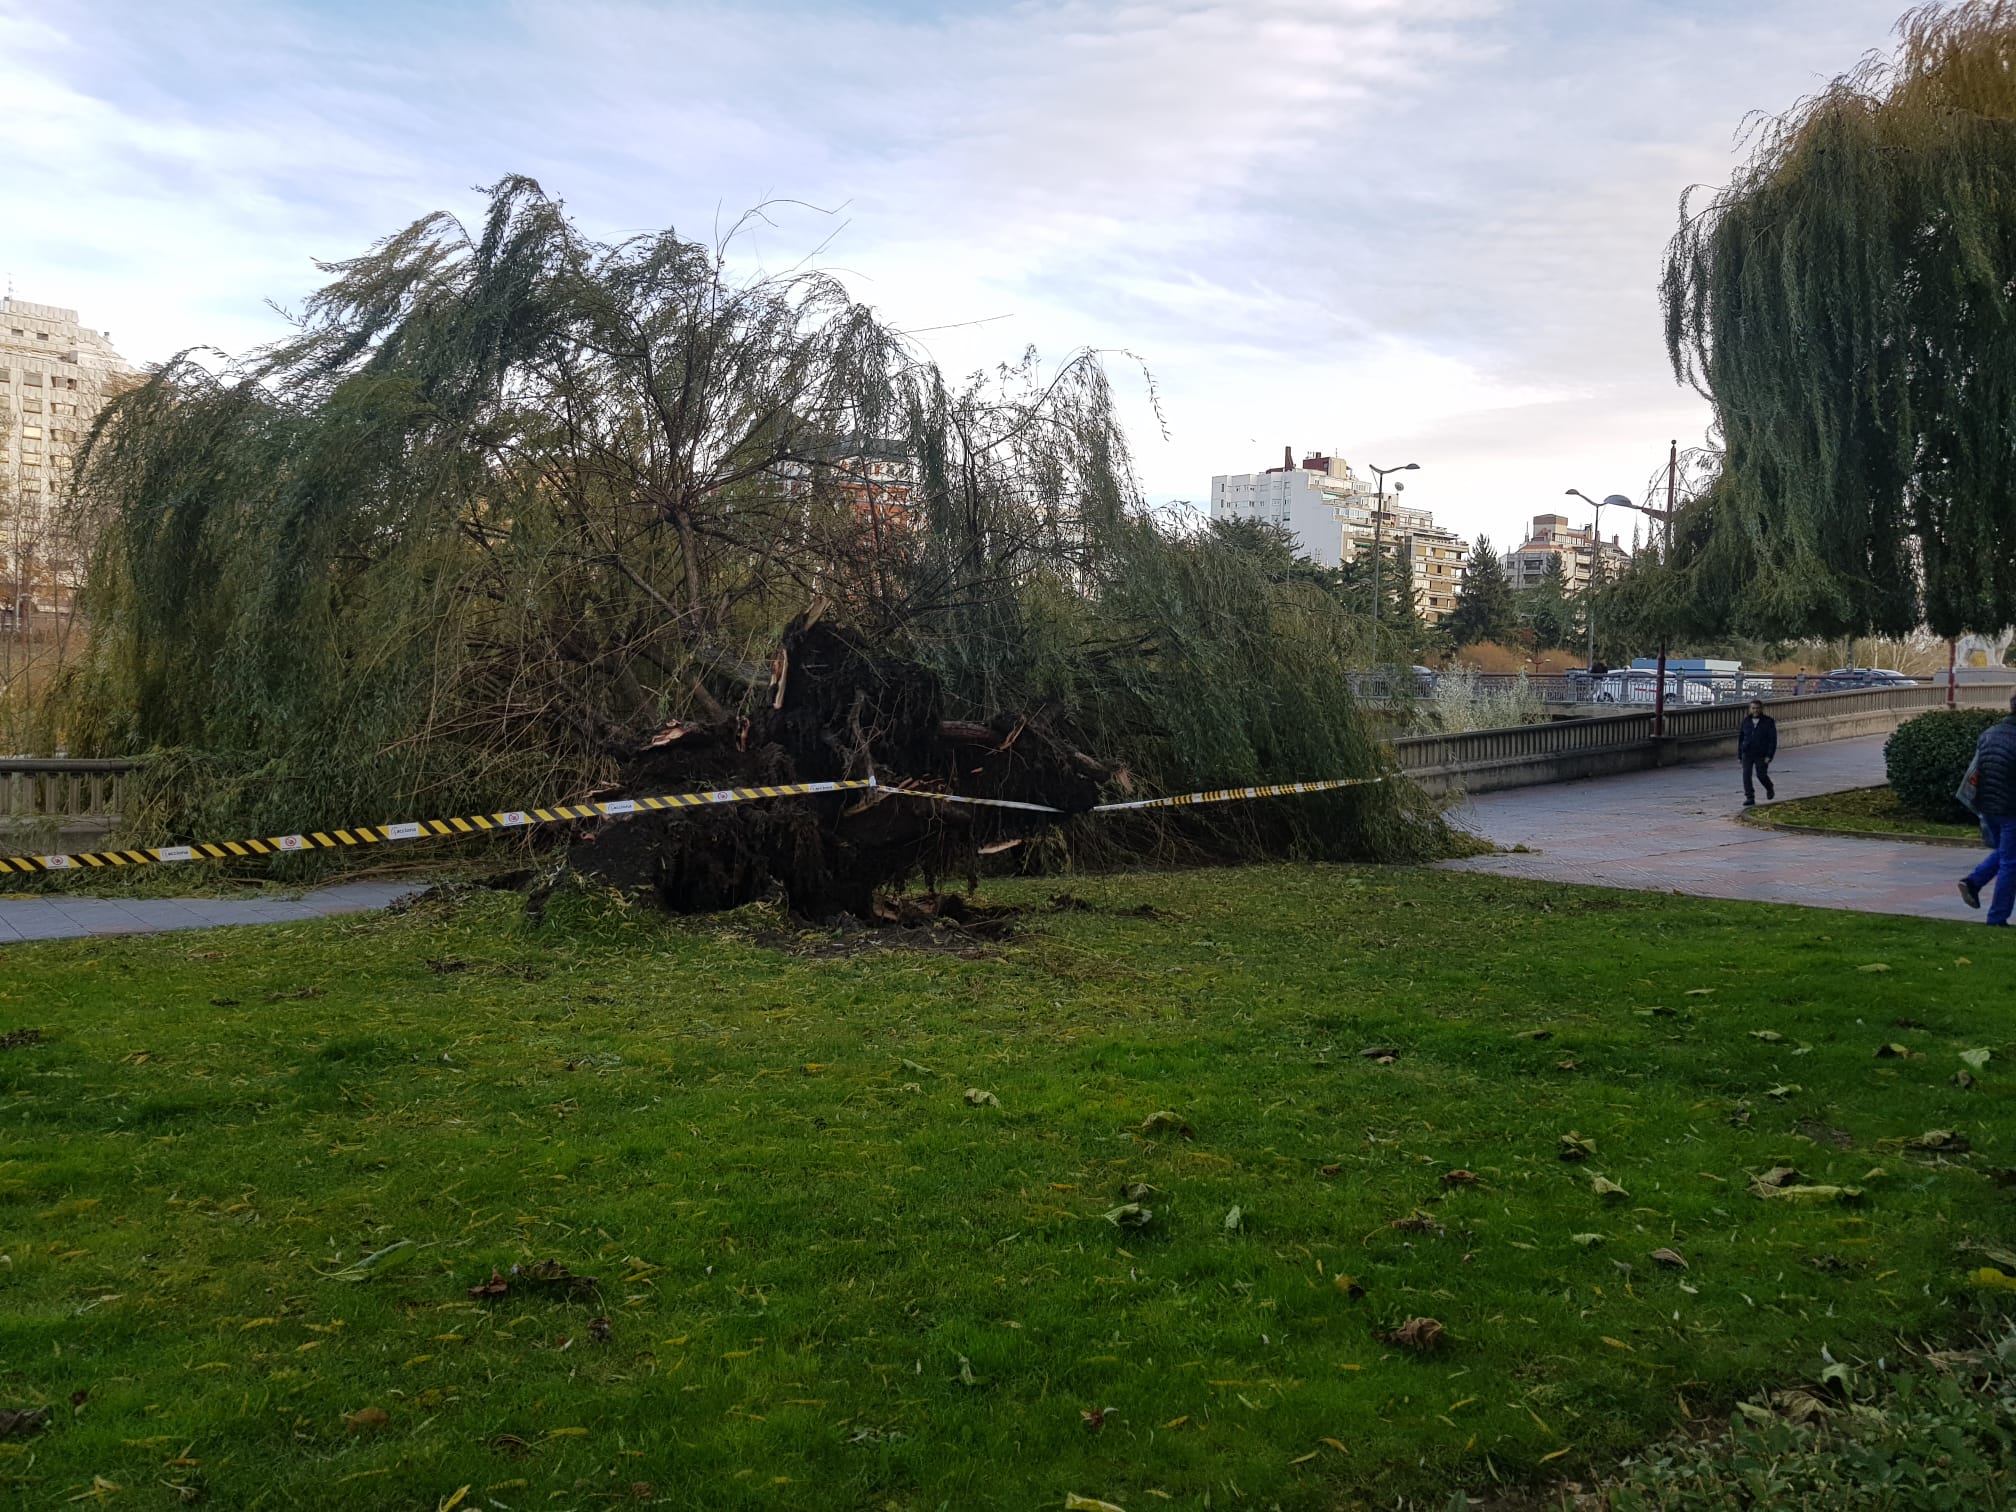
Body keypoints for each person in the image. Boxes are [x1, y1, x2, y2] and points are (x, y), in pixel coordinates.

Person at [1958, 692, 2016, 926]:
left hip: (1990, 807)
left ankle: (1973, 882)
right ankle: (1997, 918)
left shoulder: (1990, 734)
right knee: (2011, 864)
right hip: (2012, 807)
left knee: (2007, 853)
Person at [1737, 698, 1777, 806]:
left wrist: (1769, 755)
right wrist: (1740, 755)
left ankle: (1769, 787)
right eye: (1753, 708)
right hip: (1747, 752)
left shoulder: (1768, 721)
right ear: (1750, 709)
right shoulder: (1746, 721)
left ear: (1761, 709)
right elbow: (1741, 738)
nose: (1755, 710)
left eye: (1757, 708)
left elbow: (1772, 740)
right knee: (1746, 775)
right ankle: (1750, 797)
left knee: (1761, 775)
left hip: (1761, 753)